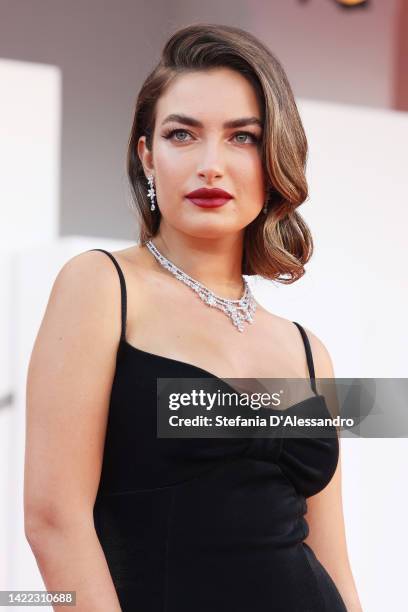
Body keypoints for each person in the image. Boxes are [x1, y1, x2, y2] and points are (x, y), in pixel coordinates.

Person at [24, 23, 363, 612]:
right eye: (183, 134)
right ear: (147, 156)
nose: (211, 164)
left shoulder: (309, 351)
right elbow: (54, 520)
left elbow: (334, 560)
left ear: (274, 156)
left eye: (243, 138)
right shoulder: (101, 285)